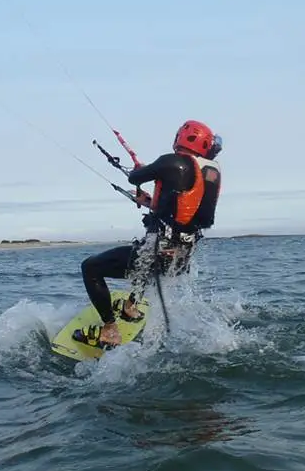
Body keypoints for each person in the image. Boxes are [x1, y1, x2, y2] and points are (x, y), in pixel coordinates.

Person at [75, 120, 222, 349]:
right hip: (181, 259)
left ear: (180, 138)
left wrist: (140, 170)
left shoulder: (171, 161)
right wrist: (151, 203)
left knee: (90, 268)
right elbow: (183, 213)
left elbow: (135, 178)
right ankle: (131, 306)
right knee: (144, 251)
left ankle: (109, 331)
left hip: (159, 256)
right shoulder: (209, 172)